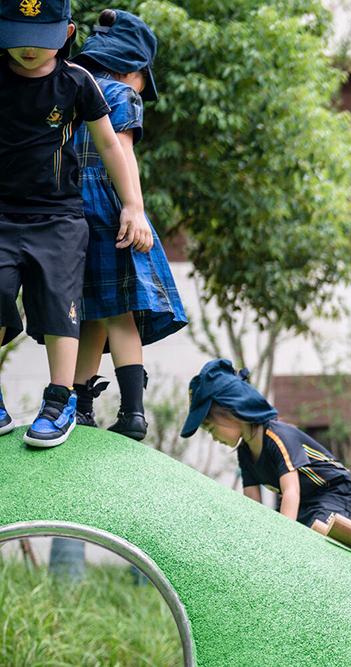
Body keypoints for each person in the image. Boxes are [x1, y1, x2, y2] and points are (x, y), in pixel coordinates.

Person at [0, 0, 145, 447]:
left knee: (60, 304)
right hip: (3, 215)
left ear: (65, 34)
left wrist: (133, 206)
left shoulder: (76, 82)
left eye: (41, 39)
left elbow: (109, 144)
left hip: (59, 218)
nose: (29, 49)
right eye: (18, 37)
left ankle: (59, 399)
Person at [70, 9, 186, 441]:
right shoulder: (121, 93)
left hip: (63, 209)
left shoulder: (66, 87)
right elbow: (122, 151)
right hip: (110, 206)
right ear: (134, 68)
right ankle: (133, 411)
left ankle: (79, 406)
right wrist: (133, 208)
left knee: (88, 312)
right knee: (120, 314)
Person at [181, 359, 351, 529]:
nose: (214, 438)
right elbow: (253, 505)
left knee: (312, 535)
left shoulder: (277, 437)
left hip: (329, 491)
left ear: (231, 412)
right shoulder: (245, 452)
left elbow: (291, 491)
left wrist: (284, 538)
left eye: (211, 428)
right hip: (302, 501)